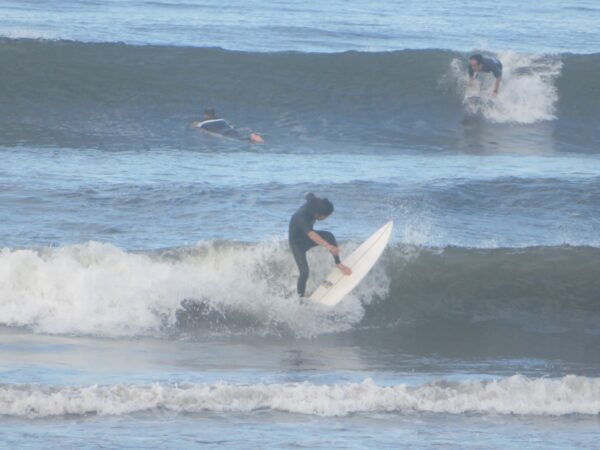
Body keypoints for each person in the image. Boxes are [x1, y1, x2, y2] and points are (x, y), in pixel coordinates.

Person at [289, 193, 352, 297]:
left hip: (307, 237)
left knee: (329, 235)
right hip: (297, 244)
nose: (326, 218)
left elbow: (308, 194)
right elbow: (311, 234)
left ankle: (338, 264)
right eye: (326, 216)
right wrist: (328, 246)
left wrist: (310, 195)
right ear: (318, 214)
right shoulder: (301, 216)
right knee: (304, 272)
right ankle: (300, 299)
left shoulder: (315, 204)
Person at [191, 108, 264, 143]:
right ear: (214, 114)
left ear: (205, 115)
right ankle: (253, 137)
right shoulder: (221, 119)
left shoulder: (203, 123)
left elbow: (196, 127)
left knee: (238, 140)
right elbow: (231, 125)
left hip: (223, 133)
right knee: (240, 137)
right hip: (230, 130)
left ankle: (252, 138)